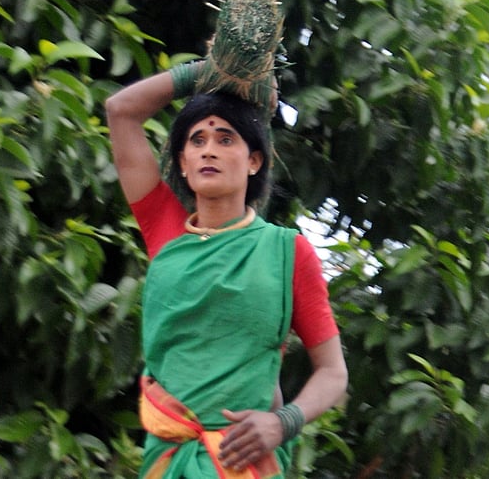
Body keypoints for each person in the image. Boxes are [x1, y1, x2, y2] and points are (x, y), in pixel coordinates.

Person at [105, 60, 348, 478]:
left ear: (254, 161)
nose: (209, 150)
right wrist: (215, 70)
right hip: (167, 461)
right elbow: (120, 110)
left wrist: (283, 422)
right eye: (196, 140)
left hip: (242, 463)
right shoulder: (164, 230)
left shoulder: (286, 252)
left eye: (225, 139)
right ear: (183, 163)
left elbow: (333, 372)